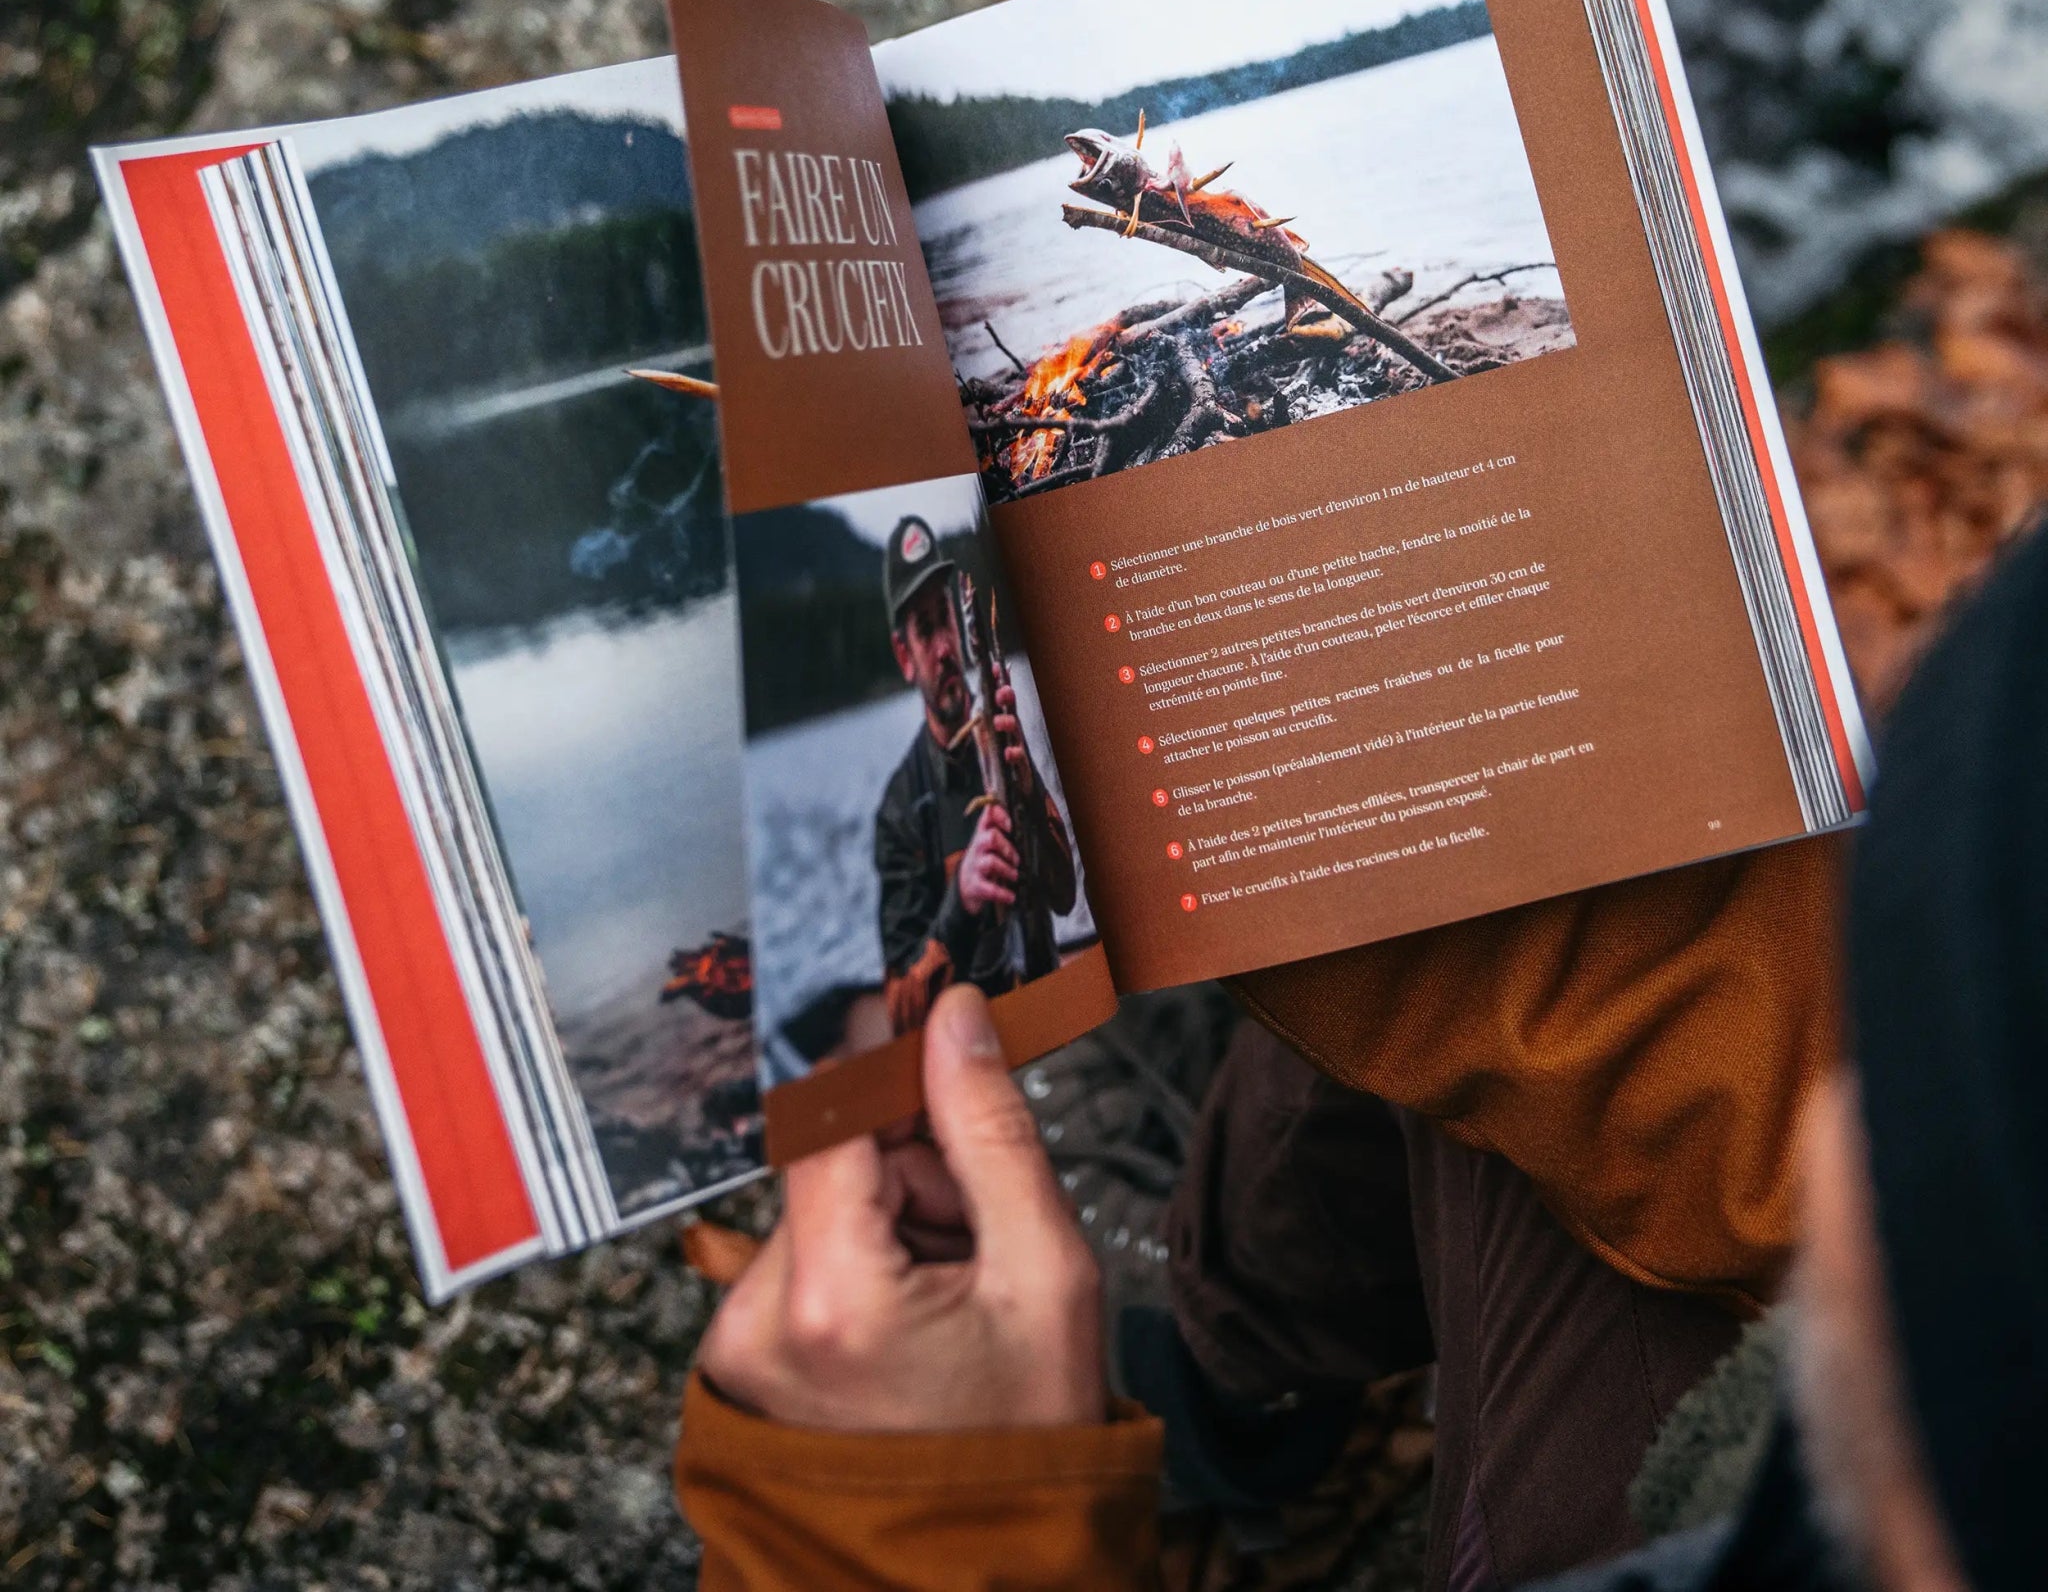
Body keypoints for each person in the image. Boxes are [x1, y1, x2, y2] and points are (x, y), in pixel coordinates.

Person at [678, 522, 2048, 1592]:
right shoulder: (904, 790)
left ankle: (1203, 1372)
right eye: (914, 633)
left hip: (1789, 1460)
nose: (932, 651)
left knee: (1489, 1005)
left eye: (943, 624)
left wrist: (900, 1546)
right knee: (1515, 1009)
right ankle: (1214, 1371)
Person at [873, 515, 1076, 1033]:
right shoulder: (900, 810)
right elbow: (900, 1010)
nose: (943, 647)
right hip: (972, 1037)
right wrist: (959, 902)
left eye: (945, 619)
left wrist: (1027, 788)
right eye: (924, 630)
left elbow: (1064, 894)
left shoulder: (1003, 738)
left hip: (1045, 1001)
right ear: (905, 656)